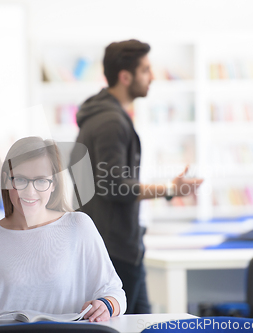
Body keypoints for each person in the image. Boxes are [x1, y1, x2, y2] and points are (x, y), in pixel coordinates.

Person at [72, 40, 203, 314]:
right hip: (114, 249)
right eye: (145, 70)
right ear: (125, 76)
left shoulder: (102, 115)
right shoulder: (110, 121)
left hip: (114, 244)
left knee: (143, 321)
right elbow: (114, 185)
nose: (152, 77)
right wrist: (170, 188)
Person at [0, 136, 126, 324]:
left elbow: (115, 293)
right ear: (5, 180)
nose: (30, 192)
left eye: (41, 181)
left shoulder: (78, 227)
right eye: (20, 180)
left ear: (53, 184)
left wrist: (107, 305)